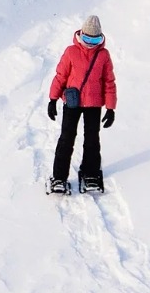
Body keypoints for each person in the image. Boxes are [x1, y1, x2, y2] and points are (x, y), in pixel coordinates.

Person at [45, 14, 116, 196]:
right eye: (87, 39)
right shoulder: (71, 52)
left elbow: (109, 81)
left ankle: (90, 172)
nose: (91, 44)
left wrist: (110, 108)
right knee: (66, 138)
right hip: (72, 103)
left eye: (96, 39)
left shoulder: (103, 55)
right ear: (81, 34)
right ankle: (59, 176)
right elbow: (60, 76)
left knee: (92, 139)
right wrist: (52, 99)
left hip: (94, 104)